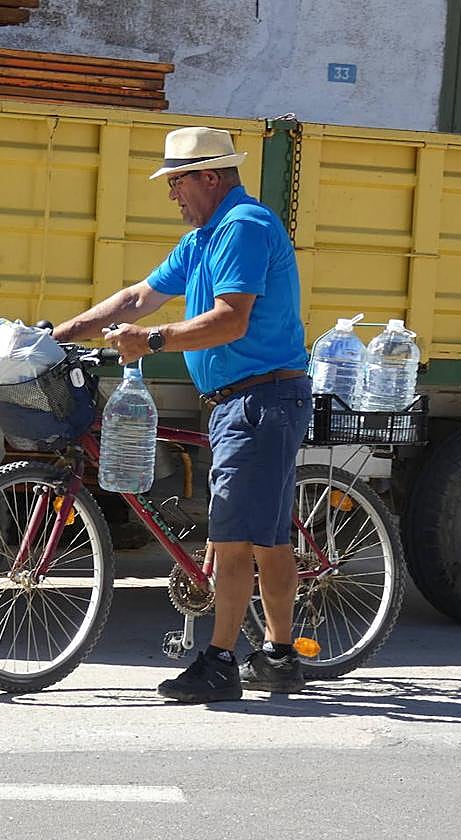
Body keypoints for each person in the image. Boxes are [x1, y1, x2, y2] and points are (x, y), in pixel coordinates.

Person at [53, 126, 312, 703]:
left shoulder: (243, 228)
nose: (172, 194)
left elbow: (231, 319)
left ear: (210, 177)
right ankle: (278, 656)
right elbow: (136, 298)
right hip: (243, 399)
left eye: (177, 182)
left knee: (237, 535)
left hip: (261, 399)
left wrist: (155, 340)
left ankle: (219, 662)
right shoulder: (203, 239)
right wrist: (60, 334)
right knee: (267, 539)